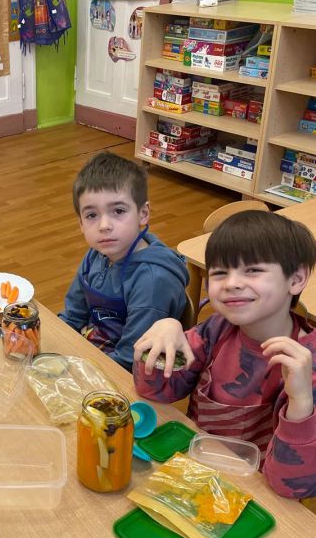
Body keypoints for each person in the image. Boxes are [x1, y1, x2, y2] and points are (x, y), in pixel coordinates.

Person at [133, 211, 316, 500]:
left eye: (252, 270)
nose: (231, 283)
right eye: (219, 273)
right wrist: (165, 331)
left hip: (258, 497)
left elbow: (292, 486)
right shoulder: (216, 330)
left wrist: (301, 402)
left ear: (296, 279)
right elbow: (156, 390)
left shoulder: (307, 367)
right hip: (196, 472)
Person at [59, 152, 189, 370]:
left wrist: (73, 369)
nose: (104, 225)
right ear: (80, 223)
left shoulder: (152, 280)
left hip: (123, 373)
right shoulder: (96, 254)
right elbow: (72, 316)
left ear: (143, 213)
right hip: (92, 352)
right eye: (92, 215)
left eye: (118, 211)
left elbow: (130, 359)